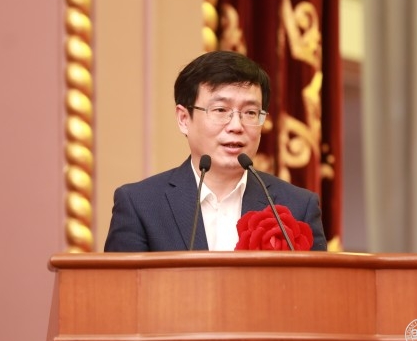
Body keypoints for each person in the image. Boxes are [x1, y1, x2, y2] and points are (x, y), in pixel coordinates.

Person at [104, 50, 327, 252]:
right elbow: (124, 284)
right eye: (220, 110)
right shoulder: (140, 205)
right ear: (184, 119)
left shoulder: (298, 207)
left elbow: (317, 284)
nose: (236, 126)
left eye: (250, 112)